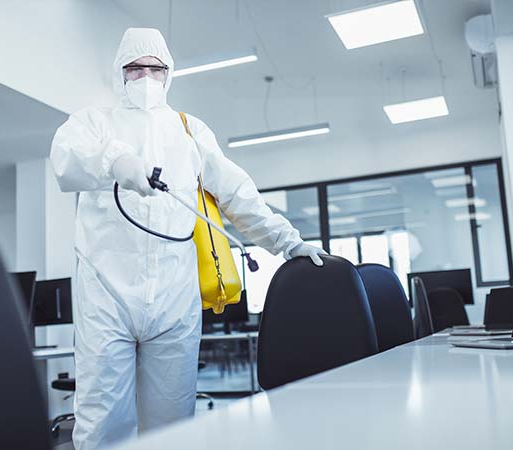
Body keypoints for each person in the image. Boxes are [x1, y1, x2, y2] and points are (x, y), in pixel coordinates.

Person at [50, 27, 326, 449]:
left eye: (155, 69)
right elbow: (66, 160)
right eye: (135, 68)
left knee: (174, 425)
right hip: (106, 299)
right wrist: (115, 160)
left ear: (169, 73)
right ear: (118, 73)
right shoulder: (94, 123)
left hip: (174, 302)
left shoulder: (189, 130)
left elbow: (237, 194)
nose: (145, 78)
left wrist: (288, 242)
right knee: (103, 423)